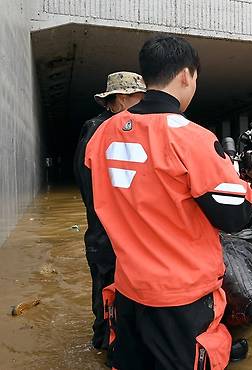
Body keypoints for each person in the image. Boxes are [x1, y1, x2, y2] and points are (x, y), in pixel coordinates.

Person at [85, 34, 252, 369]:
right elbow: (236, 217)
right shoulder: (191, 137)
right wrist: (237, 179)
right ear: (186, 75)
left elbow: (96, 198)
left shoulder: (102, 133)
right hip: (182, 297)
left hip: (130, 289)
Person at [72, 71, 146, 351]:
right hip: (106, 236)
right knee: (107, 292)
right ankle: (105, 345)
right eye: (139, 98)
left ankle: (121, 343)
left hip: (123, 236)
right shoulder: (98, 129)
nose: (143, 106)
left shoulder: (124, 128)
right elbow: (89, 185)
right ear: (122, 99)